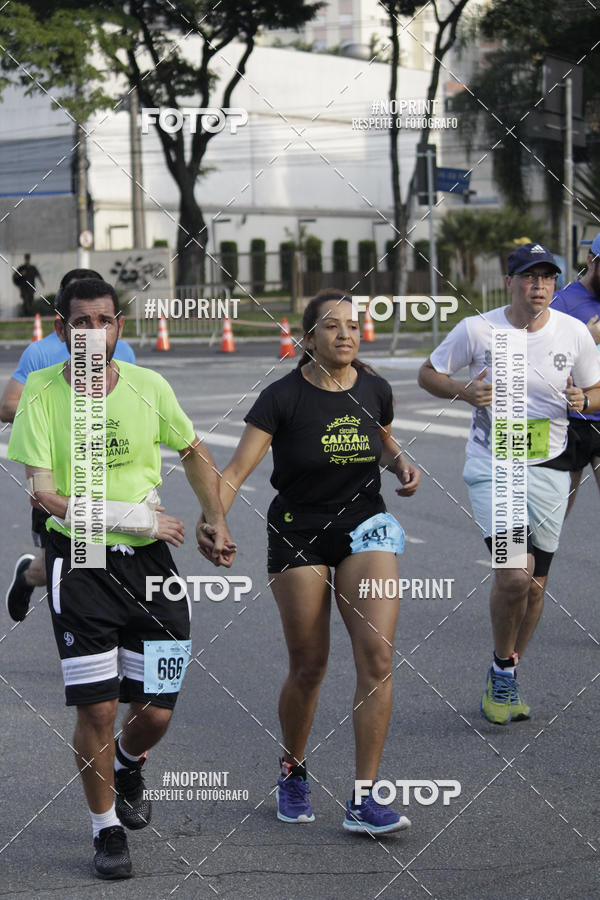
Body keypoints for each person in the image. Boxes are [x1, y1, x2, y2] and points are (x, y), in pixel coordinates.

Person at [8, 278, 236, 879]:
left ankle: (130, 762)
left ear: (118, 328)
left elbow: (192, 451)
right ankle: (105, 826)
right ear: (61, 331)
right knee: (99, 710)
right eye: (79, 323)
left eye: (103, 321)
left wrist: (215, 519)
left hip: (152, 568)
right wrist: (139, 518)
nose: (92, 332)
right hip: (80, 556)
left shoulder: (149, 386)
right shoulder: (40, 392)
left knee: (156, 709)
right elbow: (46, 495)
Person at [200, 288, 420, 834]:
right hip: (299, 533)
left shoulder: (375, 388)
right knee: (310, 664)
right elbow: (234, 471)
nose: (344, 334)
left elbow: (382, 438)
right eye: (330, 326)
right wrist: (215, 519)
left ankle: (365, 798)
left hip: (366, 528)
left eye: (352, 325)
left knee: (377, 660)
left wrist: (400, 464)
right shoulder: (282, 398)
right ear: (307, 338)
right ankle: (293, 768)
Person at [418, 242, 600, 725]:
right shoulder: (478, 329)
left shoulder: (574, 333)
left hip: (550, 465)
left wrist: (586, 396)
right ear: (510, 282)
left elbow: (597, 386)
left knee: (536, 588)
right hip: (493, 465)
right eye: (528, 277)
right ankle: (502, 669)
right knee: (515, 574)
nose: (537, 286)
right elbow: (428, 373)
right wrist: (462, 390)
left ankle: (508, 670)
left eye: (546, 278)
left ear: (555, 284)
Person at [3, 269, 136, 623]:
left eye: (101, 316)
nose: (92, 327)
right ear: (62, 317)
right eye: (81, 316)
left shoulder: (122, 349)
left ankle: (93, 637)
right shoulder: (40, 352)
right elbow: (7, 407)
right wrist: (53, 421)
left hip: (111, 475)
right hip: (60, 478)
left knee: (92, 561)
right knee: (77, 563)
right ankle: (79, 633)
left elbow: (130, 403)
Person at [551, 233, 600, 515]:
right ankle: (530, 559)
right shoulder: (563, 303)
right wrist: (587, 340)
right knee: (553, 519)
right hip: (570, 422)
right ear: (591, 260)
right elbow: (541, 358)